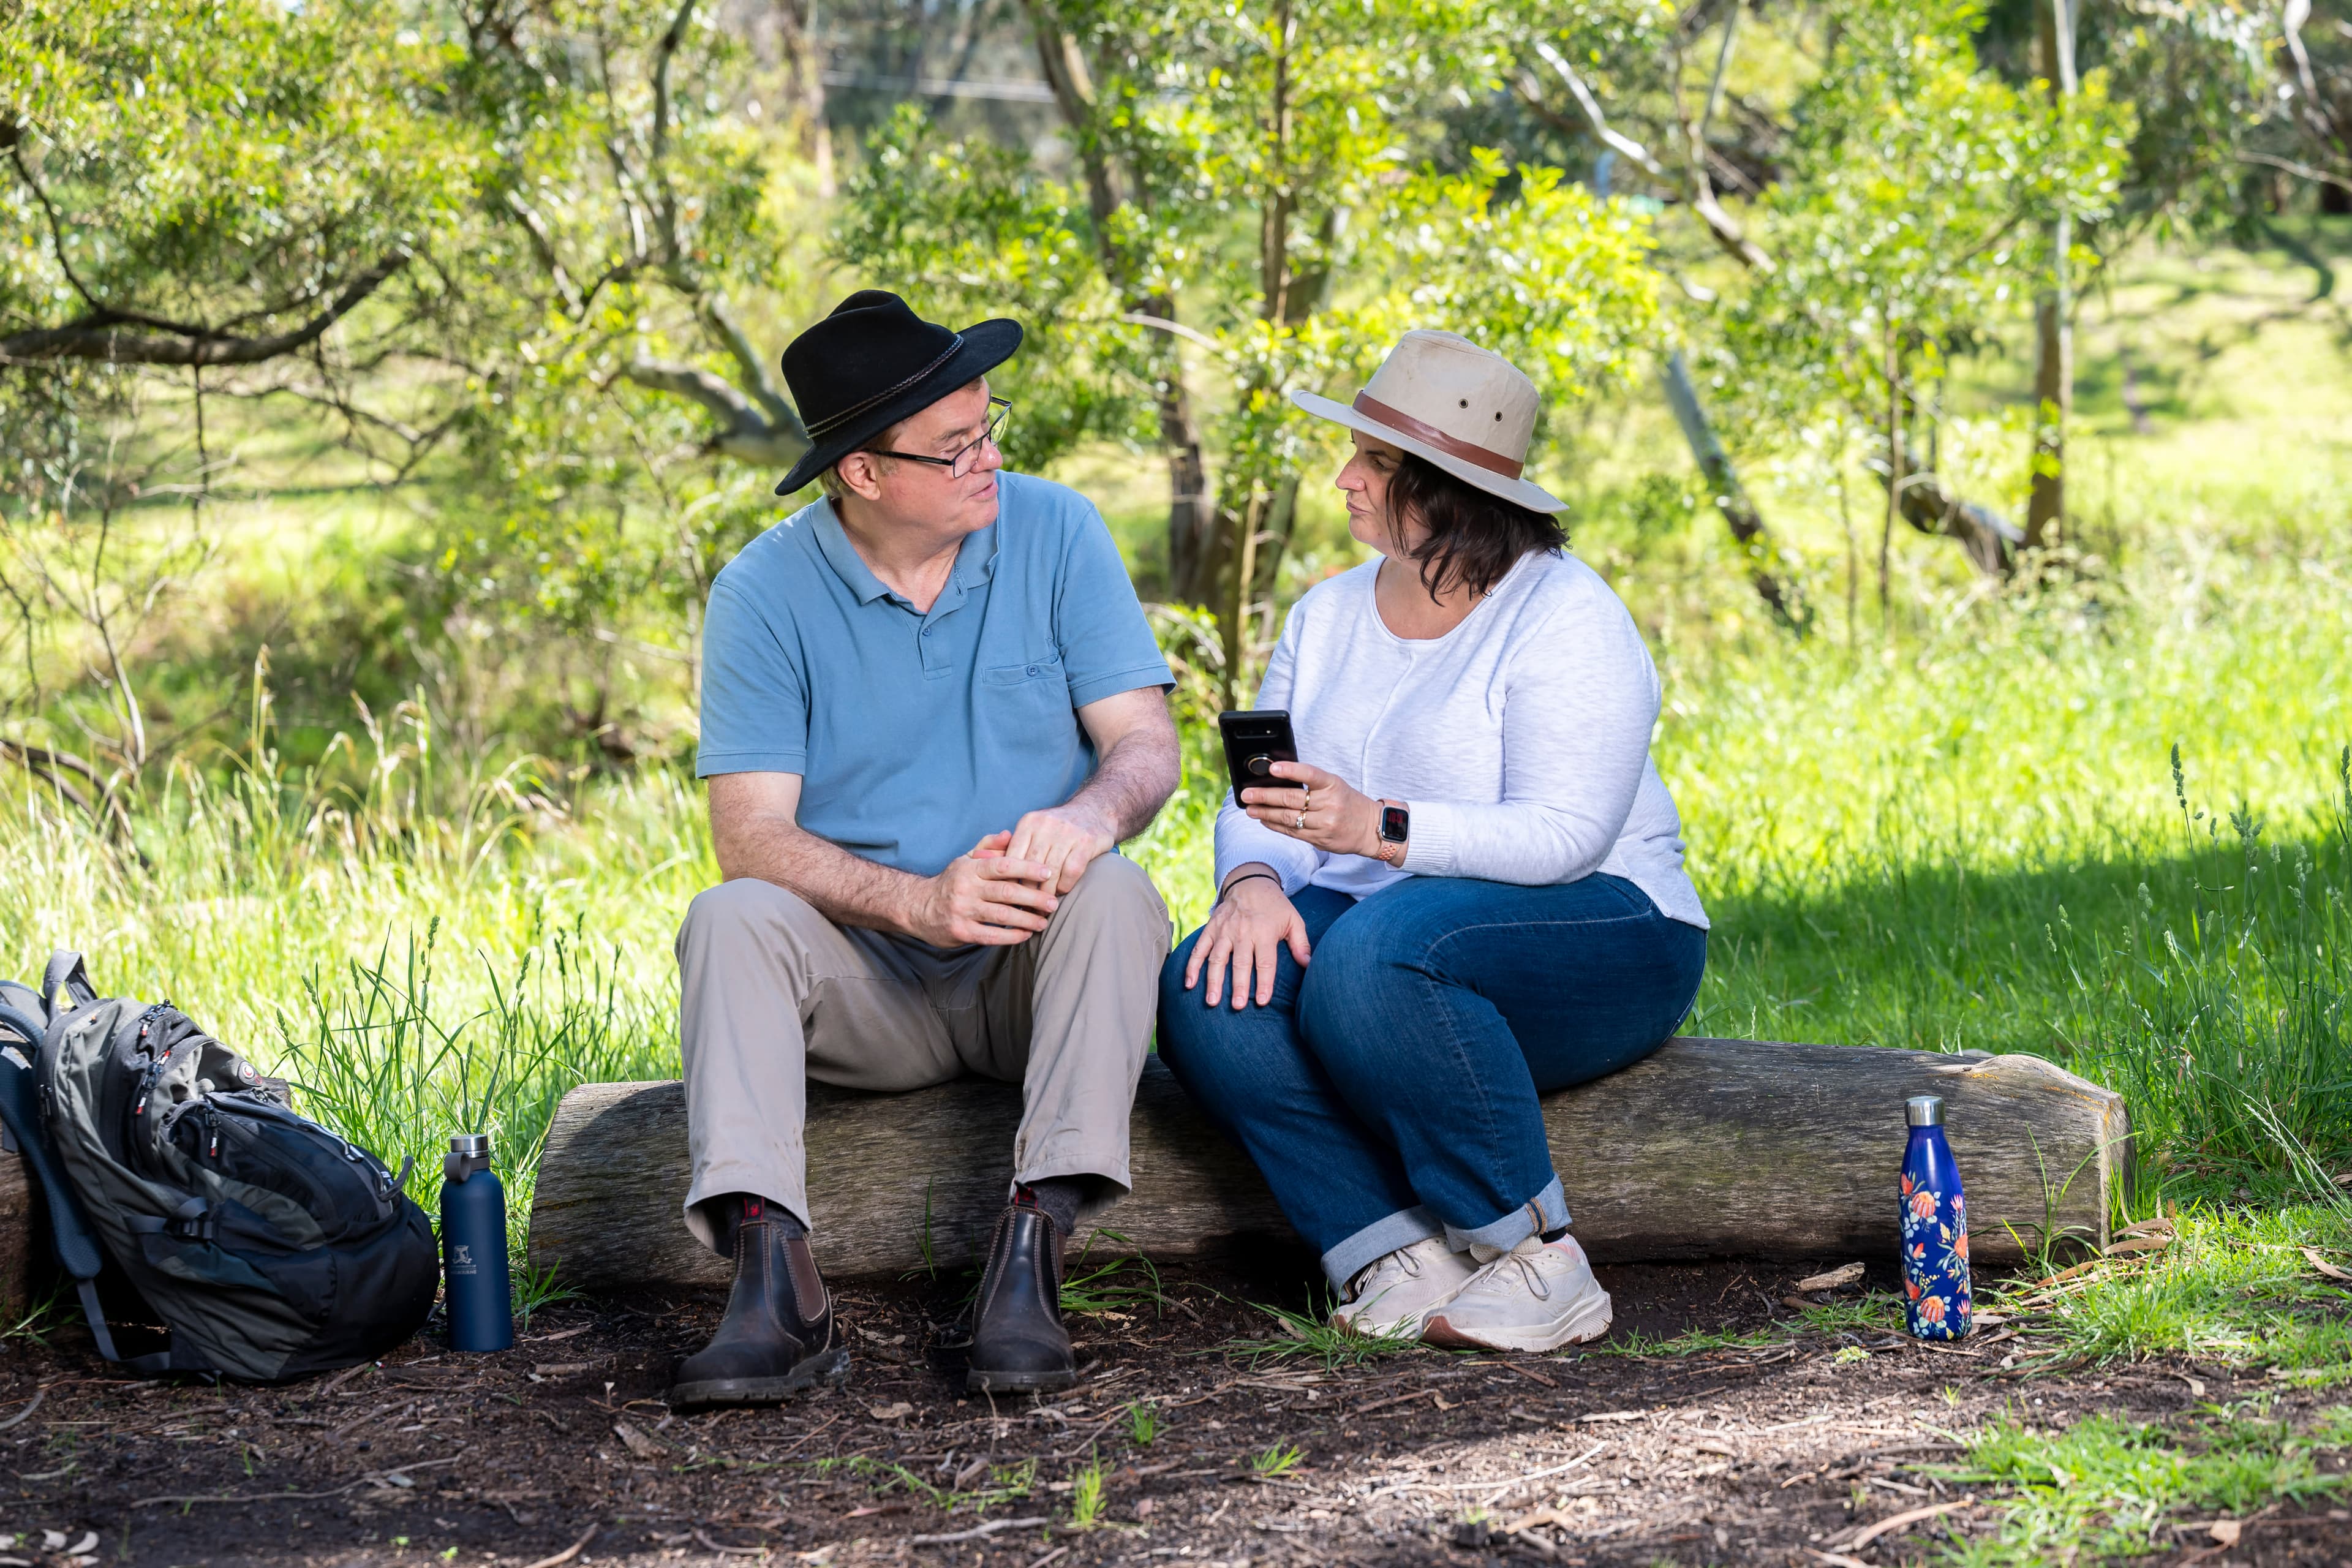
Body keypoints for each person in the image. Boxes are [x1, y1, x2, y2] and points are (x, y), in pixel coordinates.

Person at [670, 290, 1178, 1408]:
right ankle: (773, 1287)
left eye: (990, 426)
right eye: (957, 449)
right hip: (871, 988)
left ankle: (1032, 1257)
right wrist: (915, 905)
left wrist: (1090, 817)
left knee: (1121, 892)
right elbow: (746, 837)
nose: (989, 458)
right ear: (863, 472)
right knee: (729, 917)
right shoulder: (761, 593)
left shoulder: (1058, 530)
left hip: (1027, 972)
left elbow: (1146, 745)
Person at [1155, 330, 1708, 1353]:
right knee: (1205, 983)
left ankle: (1538, 1255)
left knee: (1374, 954)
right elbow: (1261, 798)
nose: (1345, 479)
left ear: (1447, 490)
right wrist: (1252, 883)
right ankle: (1389, 1253)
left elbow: (1567, 836)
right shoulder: (1326, 616)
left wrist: (1380, 827)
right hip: (1389, 938)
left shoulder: (1568, 617)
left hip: (1607, 929)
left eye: (1373, 463)